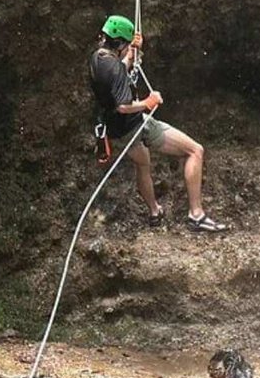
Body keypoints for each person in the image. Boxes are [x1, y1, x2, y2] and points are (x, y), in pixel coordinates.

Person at [88, 15, 228, 233]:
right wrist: (147, 102)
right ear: (120, 44)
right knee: (195, 150)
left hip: (117, 130)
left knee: (143, 166)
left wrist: (132, 52)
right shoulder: (113, 67)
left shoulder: (99, 58)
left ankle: (154, 212)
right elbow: (123, 106)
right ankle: (196, 215)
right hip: (134, 124)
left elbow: (117, 74)